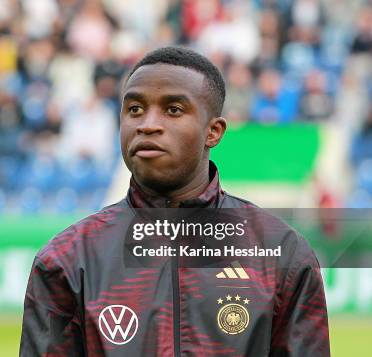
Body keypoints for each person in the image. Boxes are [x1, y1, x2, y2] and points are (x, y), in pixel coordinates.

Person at [19, 46, 330, 356]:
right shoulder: (67, 260)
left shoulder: (282, 254)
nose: (147, 124)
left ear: (214, 132)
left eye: (173, 110)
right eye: (135, 109)